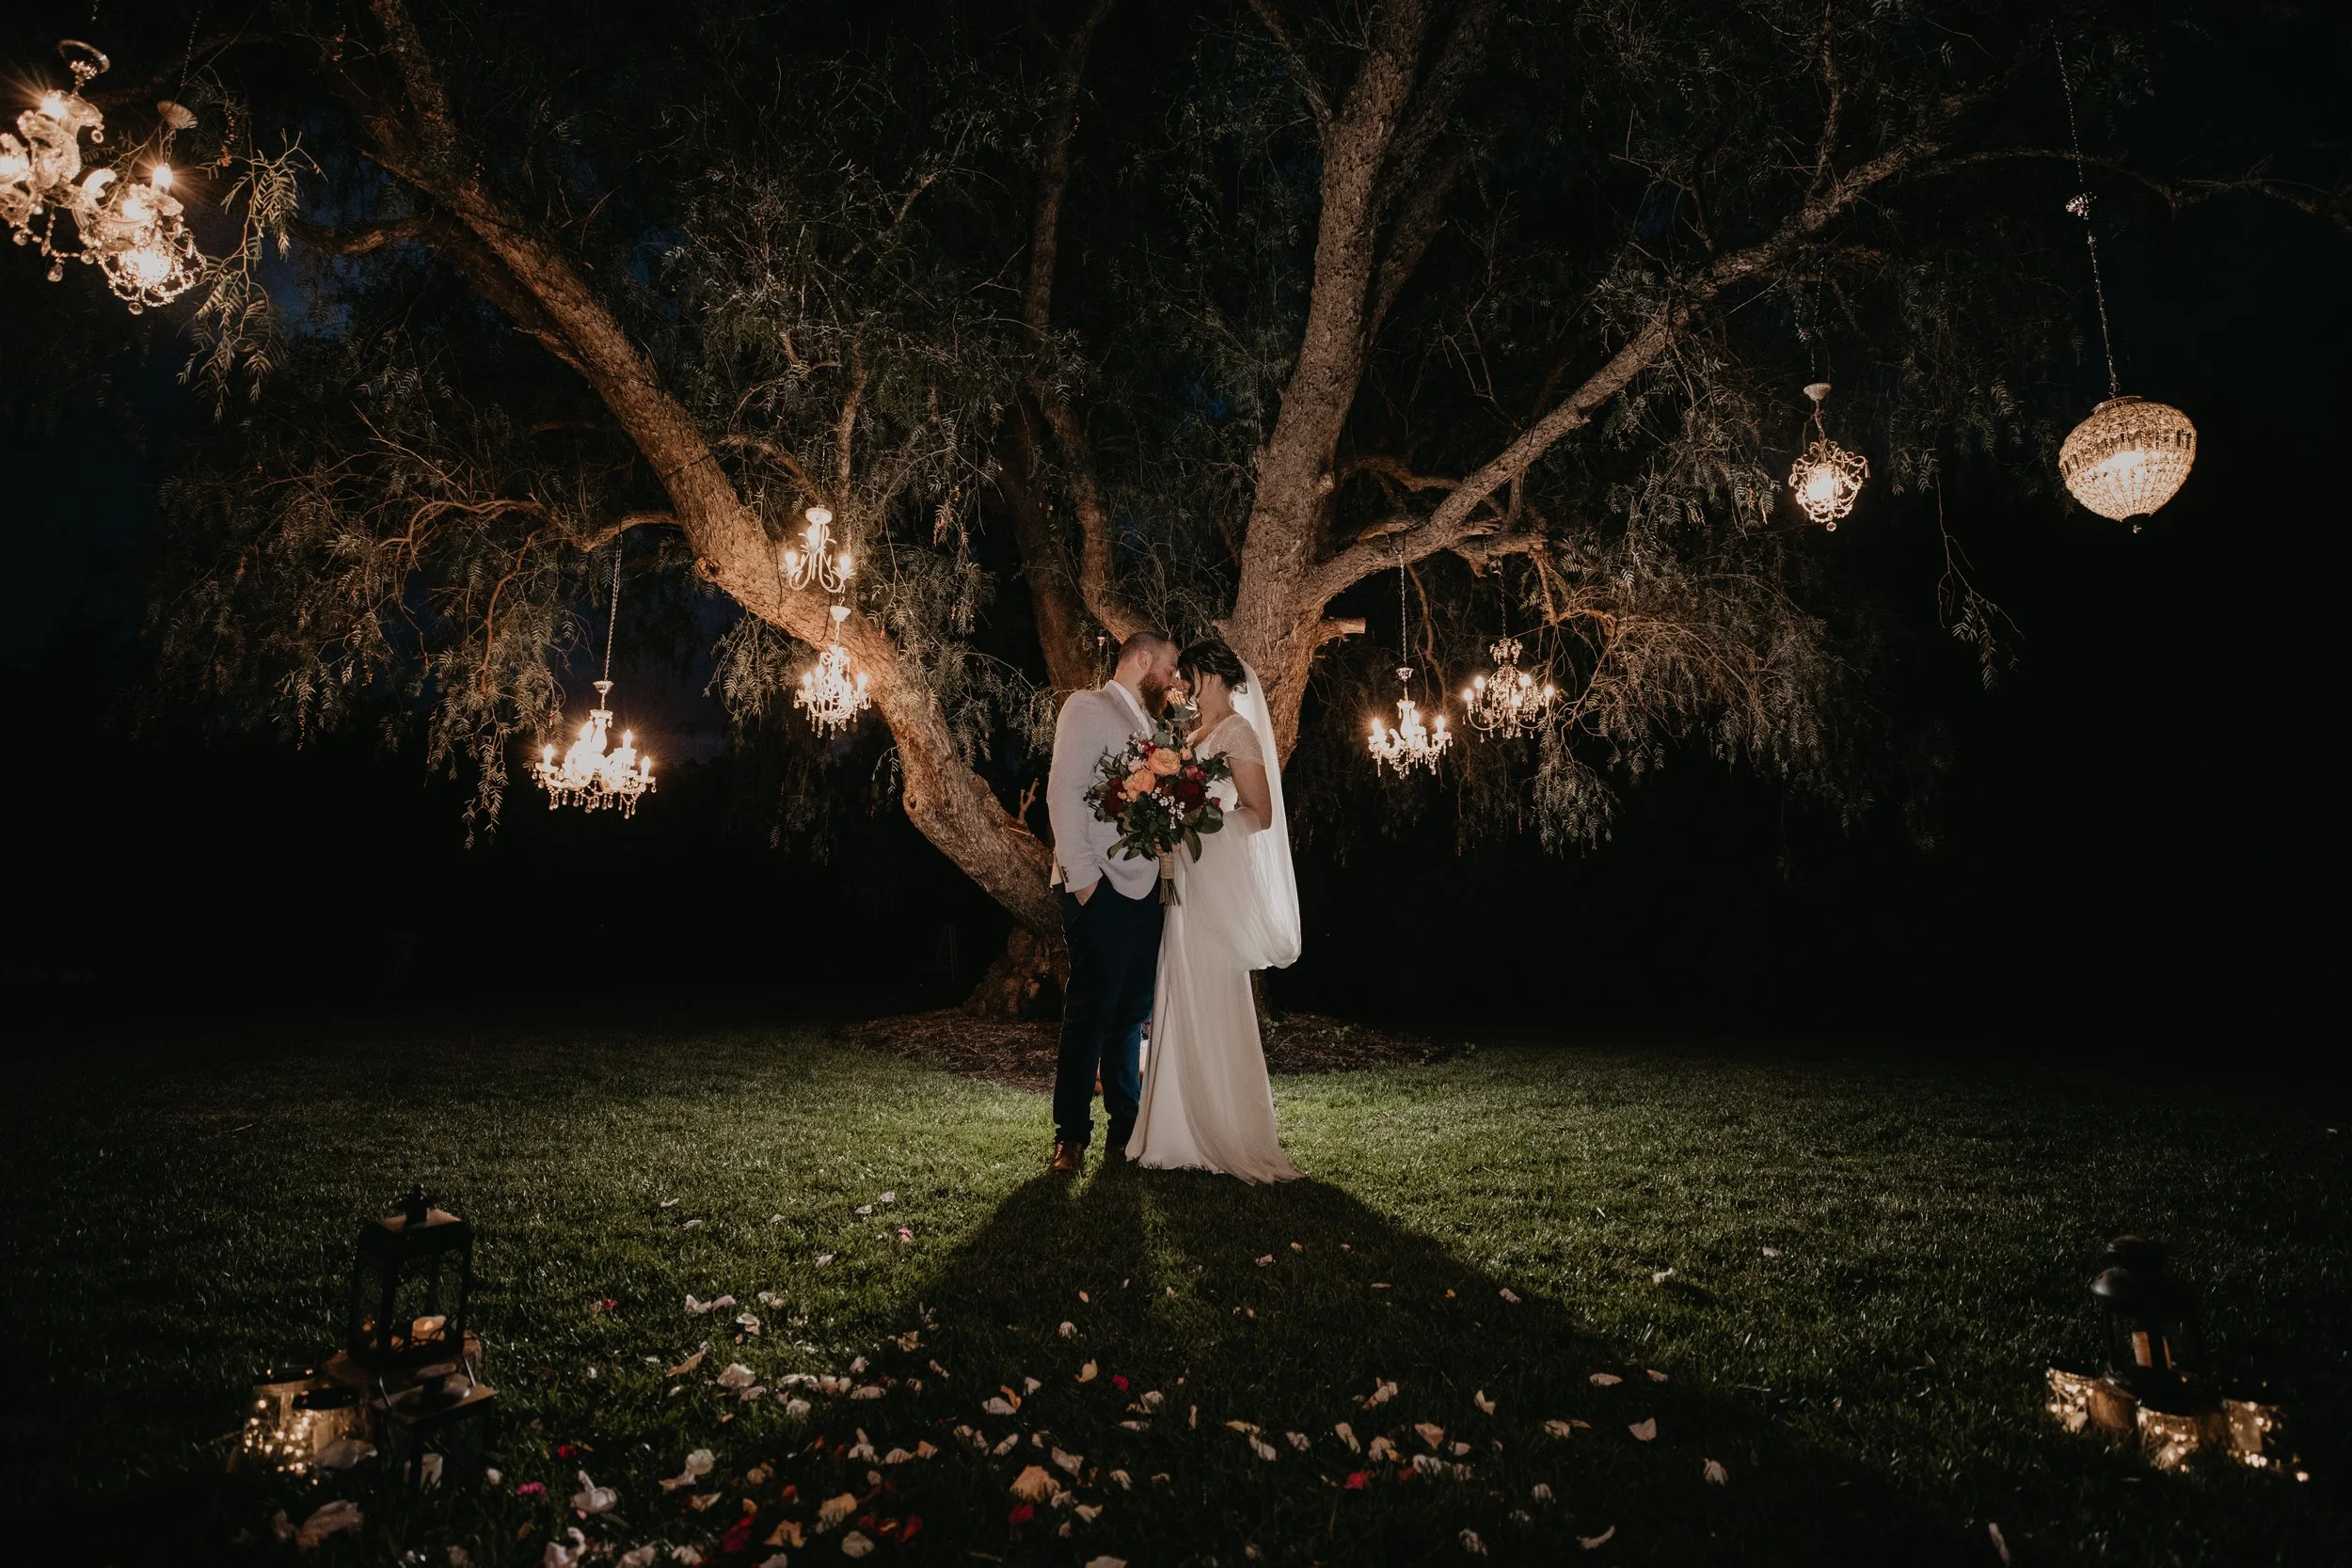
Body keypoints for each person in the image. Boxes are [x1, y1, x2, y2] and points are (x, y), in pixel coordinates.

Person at [1125, 638, 1303, 1183]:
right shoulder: (1189, 734)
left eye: (1190, 675)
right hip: (1183, 883)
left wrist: (1194, 825)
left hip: (1212, 883)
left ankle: (1221, 1126)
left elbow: (1260, 814)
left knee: (1207, 987)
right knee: (1175, 985)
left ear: (1214, 675)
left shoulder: (1237, 732)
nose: (1181, 684)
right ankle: (1170, 1128)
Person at [1042, 628, 1184, 1173]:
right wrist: (1083, 882)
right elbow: (1064, 793)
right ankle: (1071, 1135)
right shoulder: (1089, 707)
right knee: (1090, 1013)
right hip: (1097, 885)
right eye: (1169, 669)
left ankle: (1125, 1131)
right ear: (1142, 660)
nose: (1173, 681)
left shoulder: (1156, 730)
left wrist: (1168, 880)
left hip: (1148, 890)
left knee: (1130, 1015)